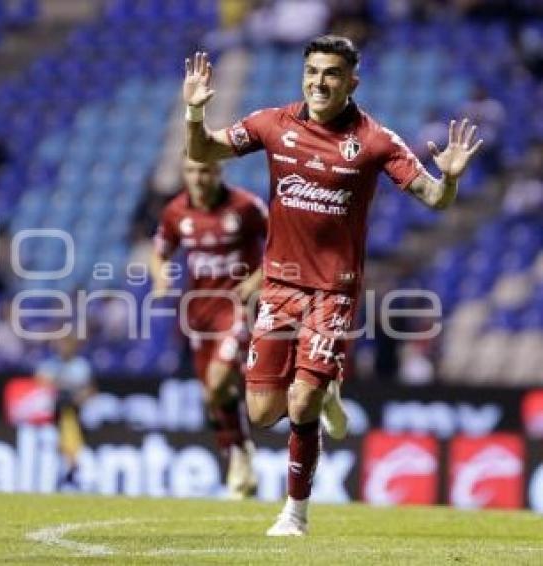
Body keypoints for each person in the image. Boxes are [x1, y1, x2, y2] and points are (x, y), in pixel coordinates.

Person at [182, 36, 482, 535]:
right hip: (278, 287)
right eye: (313, 72)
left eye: (332, 74)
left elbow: (433, 198)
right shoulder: (273, 123)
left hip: (333, 292)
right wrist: (193, 113)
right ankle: (329, 389)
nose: (319, 82)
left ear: (352, 81)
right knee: (261, 413)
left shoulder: (374, 140)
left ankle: (294, 513)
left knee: (299, 402)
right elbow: (204, 148)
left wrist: (447, 179)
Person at [150, 155, 266, 499]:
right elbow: (160, 253)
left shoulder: (245, 207)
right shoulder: (175, 213)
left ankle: (242, 449)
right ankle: (239, 455)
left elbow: (281, 245)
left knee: (218, 382)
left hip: (236, 309)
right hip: (198, 314)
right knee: (213, 396)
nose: (199, 177)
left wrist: (259, 278)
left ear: (219, 170)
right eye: (192, 170)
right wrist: (160, 281)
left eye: (205, 169)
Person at [35, 334, 97, 490]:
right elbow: (39, 385)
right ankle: (61, 474)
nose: (64, 348)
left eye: (67, 344)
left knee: (71, 429)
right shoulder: (49, 365)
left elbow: (90, 390)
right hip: (50, 417)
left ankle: (73, 472)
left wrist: (78, 396)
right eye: (61, 344)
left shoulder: (81, 366)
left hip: (75, 415)